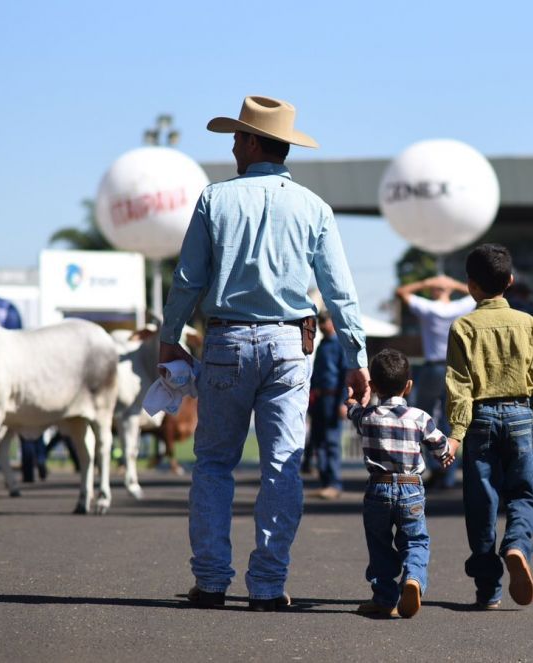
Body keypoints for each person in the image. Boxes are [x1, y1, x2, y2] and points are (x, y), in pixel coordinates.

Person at [158, 96, 369, 611]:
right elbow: (340, 292)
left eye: (237, 137)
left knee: (213, 464)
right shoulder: (315, 207)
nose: (232, 146)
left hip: (226, 342)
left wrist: (170, 336)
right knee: (282, 465)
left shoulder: (214, 199)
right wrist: (357, 358)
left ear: (253, 142)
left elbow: (188, 279)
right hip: (290, 346)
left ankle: (211, 582)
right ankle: (268, 586)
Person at [445, 244, 533, 610]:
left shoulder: (462, 327)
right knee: (523, 493)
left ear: (470, 285)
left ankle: (488, 588)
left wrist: (456, 434)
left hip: (480, 419)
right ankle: (517, 545)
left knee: (481, 502)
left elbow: (459, 386)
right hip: (521, 416)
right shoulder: (529, 324)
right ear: (510, 281)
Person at [345, 349, 453, 619]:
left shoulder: (367, 417)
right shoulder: (419, 417)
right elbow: (441, 446)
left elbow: (353, 412)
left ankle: (384, 597)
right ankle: (413, 578)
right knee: (415, 540)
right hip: (410, 487)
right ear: (409, 386)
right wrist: (446, 455)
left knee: (379, 545)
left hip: (377, 488)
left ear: (373, 386)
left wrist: (353, 401)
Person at [395, 273, 475, 489]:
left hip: (432, 367)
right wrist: (454, 284)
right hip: (455, 368)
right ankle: (448, 473)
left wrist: (425, 281)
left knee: (426, 419)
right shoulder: (459, 308)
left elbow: (401, 292)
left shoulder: (428, 308)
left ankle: (434, 467)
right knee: (451, 420)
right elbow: (477, 293)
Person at [307, 311, 349, 500]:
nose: (322, 325)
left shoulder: (339, 345)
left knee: (331, 441)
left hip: (333, 398)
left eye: (325, 321)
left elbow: (344, 375)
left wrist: (342, 402)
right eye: (321, 321)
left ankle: (334, 483)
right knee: (319, 441)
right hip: (319, 398)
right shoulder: (323, 344)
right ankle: (325, 482)